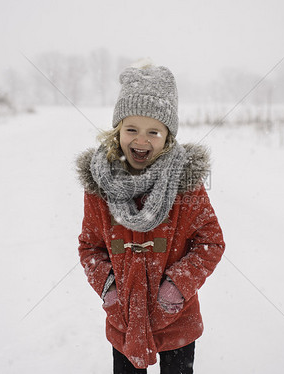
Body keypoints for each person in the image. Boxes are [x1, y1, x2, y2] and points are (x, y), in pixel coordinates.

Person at [76, 60, 225, 374]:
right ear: (117, 131)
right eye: (131, 129)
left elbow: (210, 242)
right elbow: (90, 248)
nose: (141, 141)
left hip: (177, 320)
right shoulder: (99, 187)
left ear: (168, 136)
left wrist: (178, 286)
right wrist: (109, 290)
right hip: (125, 320)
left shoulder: (186, 185)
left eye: (153, 131)